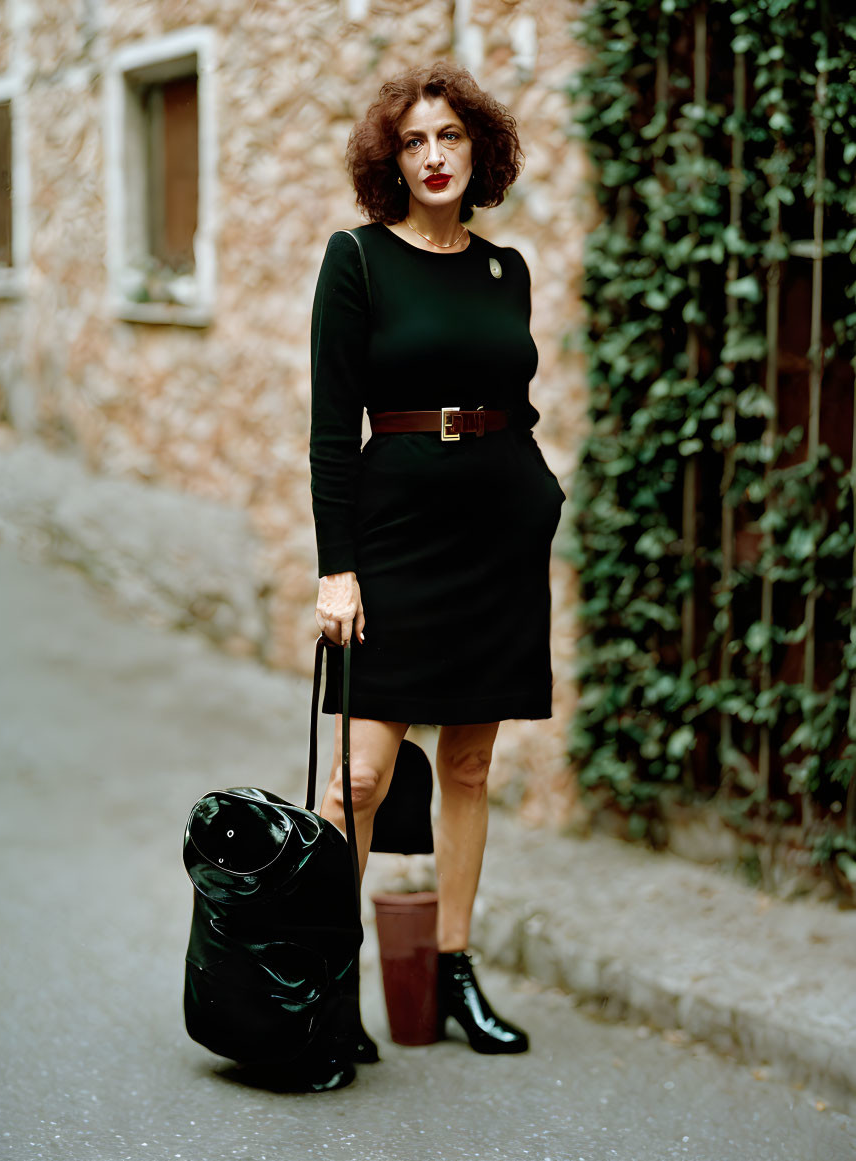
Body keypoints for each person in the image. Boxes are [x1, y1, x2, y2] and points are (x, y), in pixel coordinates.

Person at [310, 62, 565, 1068]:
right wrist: (339, 570)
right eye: (414, 142)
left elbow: (519, 398)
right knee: (361, 779)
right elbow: (333, 431)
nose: (433, 156)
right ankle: (331, 987)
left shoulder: (507, 270)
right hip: (396, 536)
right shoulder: (359, 261)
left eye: (449, 136)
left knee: (468, 765)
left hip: (499, 537)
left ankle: (453, 970)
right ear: (393, 159)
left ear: (478, 147)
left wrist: (541, 493)